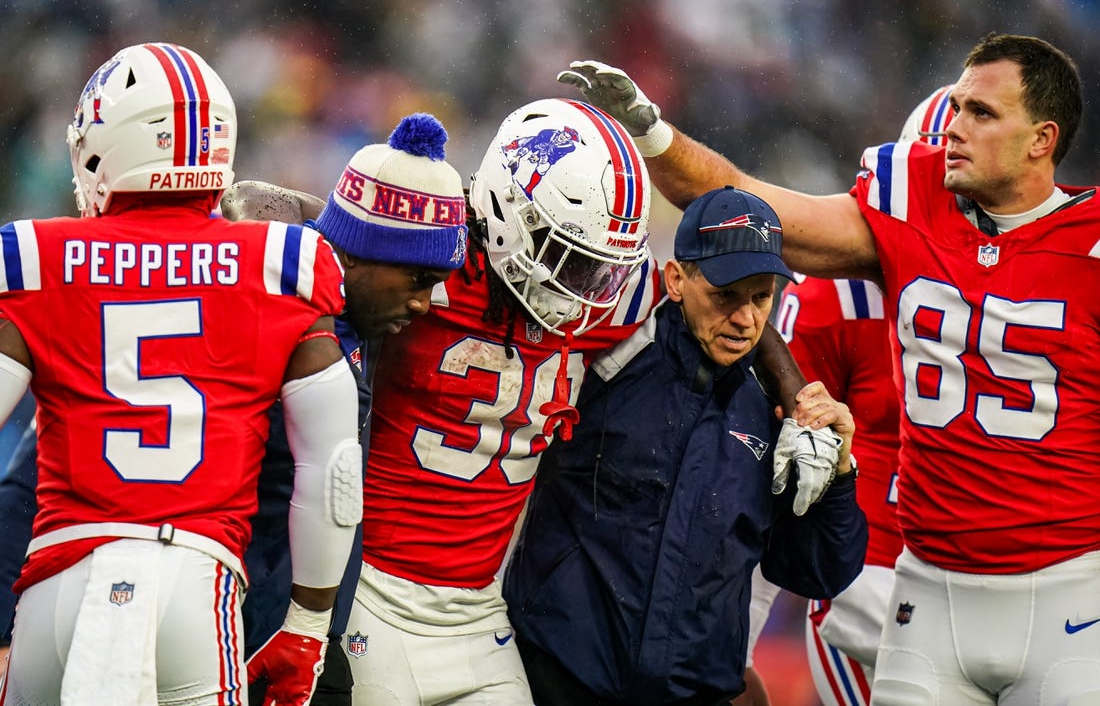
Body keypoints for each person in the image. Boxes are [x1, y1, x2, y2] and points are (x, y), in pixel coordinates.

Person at [236, 97, 844, 705]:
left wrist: (793, 390)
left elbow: (722, 290)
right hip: (374, 590)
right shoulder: (430, 266)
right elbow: (323, 233)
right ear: (507, 208)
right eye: (571, 258)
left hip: (480, 612)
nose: (584, 286)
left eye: (601, 266)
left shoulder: (613, 297)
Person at [559, 32, 1100, 705]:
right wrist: (654, 134)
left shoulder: (1090, 242)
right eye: (956, 107)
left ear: (1042, 138)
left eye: (980, 113)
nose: (954, 128)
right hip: (923, 593)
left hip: (1069, 596)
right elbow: (749, 209)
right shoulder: (907, 210)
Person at [0, 111, 471, 706]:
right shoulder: (268, 298)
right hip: (212, 602)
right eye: (417, 278)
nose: (428, 303)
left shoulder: (324, 287)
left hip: (249, 607)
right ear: (354, 257)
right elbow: (37, 463)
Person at [502, 185, 868, 706]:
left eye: (761, 296)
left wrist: (839, 473)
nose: (745, 319)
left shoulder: (778, 408)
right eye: (725, 294)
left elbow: (815, 572)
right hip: (559, 682)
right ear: (675, 279)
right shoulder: (605, 355)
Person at [768, 84, 956, 706]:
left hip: (1000, 569)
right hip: (873, 582)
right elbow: (776, 459)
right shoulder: (832, 299)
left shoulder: (1047, 287)